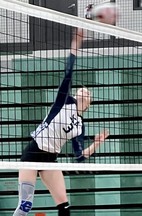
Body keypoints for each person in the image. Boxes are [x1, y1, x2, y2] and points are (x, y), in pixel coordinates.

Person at [13, 28, 109, 216]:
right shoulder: (63, 102)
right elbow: (68, 74)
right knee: (25, 206)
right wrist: (75, 46)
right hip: (33, 152)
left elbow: (79, 156)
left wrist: (96, 144)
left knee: (64, 206)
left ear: (89, 102)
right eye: (81, 89)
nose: (83, 90)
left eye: (87, 92)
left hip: (51, 160)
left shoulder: (80, 126)